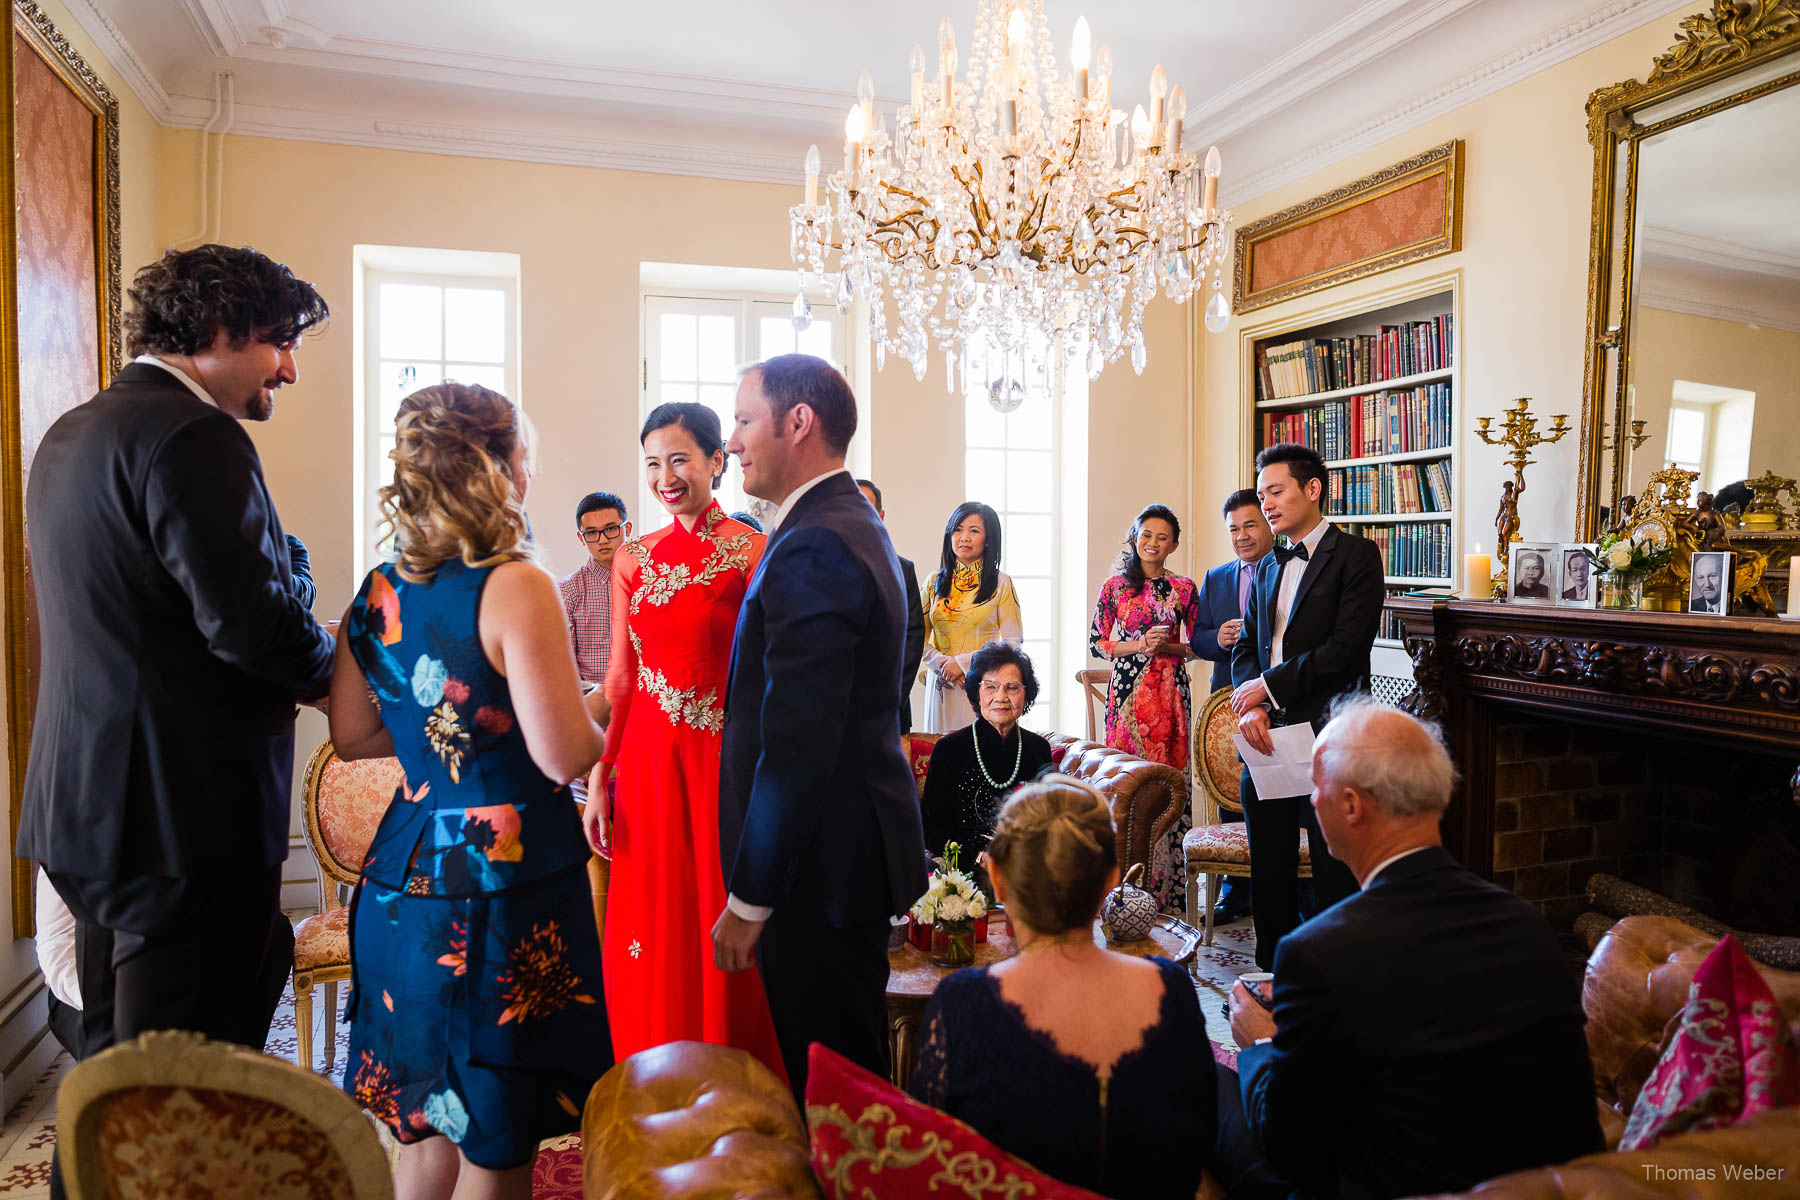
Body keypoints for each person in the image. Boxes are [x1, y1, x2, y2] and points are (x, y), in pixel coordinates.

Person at [20, 245, 335, 1086]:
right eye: (278, 341)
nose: (290, 369)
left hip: (87, 815)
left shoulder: (74, 431)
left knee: (120, 1083)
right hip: (180, 824)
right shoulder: (197, 435)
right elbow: (253, 629)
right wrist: (348, 671)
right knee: (181, 1096)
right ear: (218, 327)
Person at [330, 383, 613, 1198]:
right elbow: (563, 754)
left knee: (424, 1135)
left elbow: (352, 735)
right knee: (496, 1140)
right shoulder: (514, 582)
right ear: (496, 466)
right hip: (500, 881)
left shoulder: (379, 587)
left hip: (401, 877)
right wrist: (611, 707)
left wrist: (446, 738)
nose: (530, 468)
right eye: (524, 452)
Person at [1221, 699, 1603, 1199]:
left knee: (1211, 1090)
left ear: (1353, 806)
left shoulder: (1316, 952)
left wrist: (1264, 1042)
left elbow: (1289, 1146)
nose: (1312, 803)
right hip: (1533, 1182)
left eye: (1317, 788)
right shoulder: (1526, 922)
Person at [715, 353, 929, 1097]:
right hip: (838, 857)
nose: (732, 441)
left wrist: (750, 898)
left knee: (836, 1092)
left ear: (797, 422)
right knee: (842, 1077)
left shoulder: (815, 540)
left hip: (821, 870)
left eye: (744, 421)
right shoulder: (844, 522)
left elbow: (800, 742)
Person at [580, 404, 785, 1080]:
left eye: (679, 460)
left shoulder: (753, 552)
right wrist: (602, 774)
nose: (665, 476)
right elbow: (621, 675)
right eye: (652, 463)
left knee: (718, 917)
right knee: (652, 928)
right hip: (645, 763)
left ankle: (731, 1080)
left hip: (723, 766)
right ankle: (651, 1079)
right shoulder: (633, 559)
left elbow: (766, 673)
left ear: (715, 461)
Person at [911, 777, 1215, 1200]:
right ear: (1111, 880)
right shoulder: (1173, 990)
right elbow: (1199, 1139)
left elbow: (933, 1167)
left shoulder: (960, 1004)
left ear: (996, 879)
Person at [1229, 442, 1383, 971]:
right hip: (1265, 736)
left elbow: (1346, 648)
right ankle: (1273, 978)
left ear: (1312, 489)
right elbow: (1246, 646)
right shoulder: (1269, 564)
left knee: (1332, 867)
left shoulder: (1357, 555)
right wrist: (1252, 707)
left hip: (1329, 737)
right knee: (1268, 873)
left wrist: (1267, 688)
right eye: (1261, 493)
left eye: (1276, 491)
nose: (1266, 504)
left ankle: (1334, 980)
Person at [1088, 504, 1201, 911]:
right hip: (1127, 697)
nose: (1152, 543)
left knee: (1170, 783)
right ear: (1134, 537)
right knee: (1129, 783)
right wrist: (1137, 645)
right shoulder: (1115, 587)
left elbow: (1195, 645)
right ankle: (1121, 891)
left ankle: (1167, 894)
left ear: (1174, 544)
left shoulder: (1185, 588)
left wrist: (1165, 646)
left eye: (1161, 537)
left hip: (1171, 693)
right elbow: (1097, 643)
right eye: (1145, 534)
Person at [1191, 489, 1275, 924]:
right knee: (1230, 796)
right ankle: (1234, 894)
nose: (1242, 536)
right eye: (1234, 529)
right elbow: (1198, 638)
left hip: (1276, 699)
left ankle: (1278, 892)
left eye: (1250, 525)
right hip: (1227, 699)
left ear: (1268, 523)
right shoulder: (1217, 577)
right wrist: (1217, 640)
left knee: (1272, 794)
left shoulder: (1286, 569)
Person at [918, 643, 1053, 870]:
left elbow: (1045, 822)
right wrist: (979, 857)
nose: (1001, 697)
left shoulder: (1037, 748)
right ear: (976, 693)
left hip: (1023, 869)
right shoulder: (949, 750)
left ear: (1026, 693)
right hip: (963, 868)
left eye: (1012, 688)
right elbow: (932, 830)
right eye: (990, 687)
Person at [921, 502, 1024, 733]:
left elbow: (1012, 642)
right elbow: (916, 637)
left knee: (979, 757)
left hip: (983, 686)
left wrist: (964, 664)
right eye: (958, 529)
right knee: (939, 756)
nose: (964, 537)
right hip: (941, 685)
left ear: (988, 539)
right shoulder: (932, 582)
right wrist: (941, 664)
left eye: (974, 530)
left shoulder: (1001, 583)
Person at [858, 478, 927, 734]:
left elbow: (913, 635)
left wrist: (890, 694)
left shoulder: (903, 569)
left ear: (881, 515)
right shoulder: (823, 566)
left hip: (888, 706)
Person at [559, 490, 630, 695]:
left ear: (628, 529)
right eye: (591, 533)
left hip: (646, 697)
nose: (602, 540)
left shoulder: (648, 581)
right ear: (582, 538)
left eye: (611, 529)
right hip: (594, 700)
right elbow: (566, 664)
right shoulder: (569, 589)